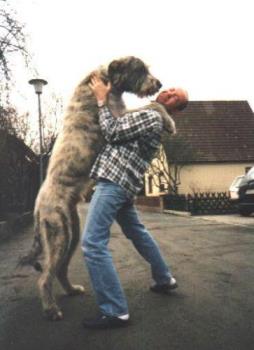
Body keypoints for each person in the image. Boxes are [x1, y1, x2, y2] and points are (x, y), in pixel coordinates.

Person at [81, 75, 188, 329]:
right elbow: (123, 128)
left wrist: (100, 100)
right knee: (138, 233)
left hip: (114, 182)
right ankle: (164, 279)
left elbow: (113, 131)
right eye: (172, 89)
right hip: (126, 185)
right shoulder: (152, 116)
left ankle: (115, 311)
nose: (170, 93)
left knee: (92, 244)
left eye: (177, 97)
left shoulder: (152, 116)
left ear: (176, 109)